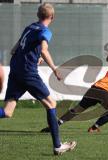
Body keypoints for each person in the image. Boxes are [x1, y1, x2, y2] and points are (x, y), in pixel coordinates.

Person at [0, 3, 76, 155]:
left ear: (38, 15)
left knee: (8, 111)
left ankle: (58, 145)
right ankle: (57, 146)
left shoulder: (30, 28)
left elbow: (15, 49)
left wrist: (34, 56)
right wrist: (54, 69)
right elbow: (44, 49)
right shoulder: (45, 31)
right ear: (52, 17)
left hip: (16, 71)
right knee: (51, 103)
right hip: (28, 73)